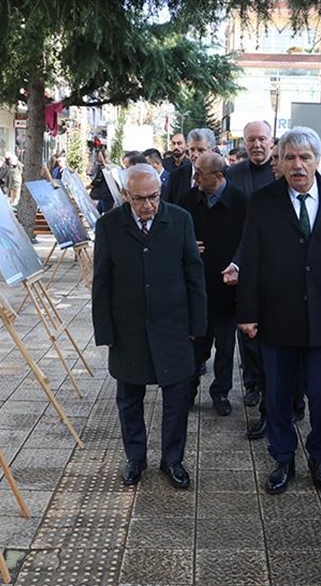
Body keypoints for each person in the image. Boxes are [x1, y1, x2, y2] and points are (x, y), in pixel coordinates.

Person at [236, 126, 321, 495]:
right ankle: (282, 457)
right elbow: (252, 257)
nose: (297, 165)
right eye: (289, 157)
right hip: (278, 317)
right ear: (279, 161)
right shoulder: (264, 200)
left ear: (319, 160)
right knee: (277, 394)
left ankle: (319, 456)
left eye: (305, 158)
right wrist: (247, 312)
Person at [93, 163, 206, 488]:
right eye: (140, 199)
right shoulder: (109, 225)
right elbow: (101, 281)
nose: (148, 205)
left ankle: (173, 460)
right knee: (129, 401)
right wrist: (106, 332)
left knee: (176, 401)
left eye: (154, 197)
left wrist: (197, 325)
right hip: (128, 329)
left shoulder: (180, 220)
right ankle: (135, 458)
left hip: (174, 326)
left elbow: (193, 274)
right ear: (126, 196)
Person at [178, 151, 248, 416]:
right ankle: (189, 389)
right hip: (196, 286)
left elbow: (249, 241)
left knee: (226, 347)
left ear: (218, 176)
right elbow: (175, 230)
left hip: (227, 288)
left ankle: (221, 393)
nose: (194, 178)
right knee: (196, 344)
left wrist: (238, 265)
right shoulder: (189, 198)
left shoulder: (240, 202)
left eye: (200, 174)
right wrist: (185, 245)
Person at [224, 120, 277, 413]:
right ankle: (252, 383)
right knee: (245, 328)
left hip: (274, 264)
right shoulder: (234, 174)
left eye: (262, 139)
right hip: (242, 261)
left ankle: (272, 383)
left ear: (271, 141)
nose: (256, 145)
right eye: (251, 140)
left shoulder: (280, 173)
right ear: (243, 143)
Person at [162, 127, 214, 203]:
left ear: (212, 151)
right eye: (192, 150)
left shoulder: (222, 175)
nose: (195, 154)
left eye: (201, 150)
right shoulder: (176, 176)